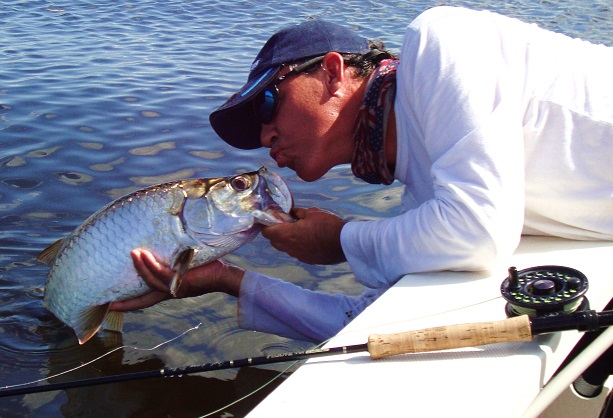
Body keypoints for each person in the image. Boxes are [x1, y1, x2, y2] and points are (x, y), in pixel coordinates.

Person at [111, 6, 613, 343]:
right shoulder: (429, 199)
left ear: (332, 72)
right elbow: (356, 323)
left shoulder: (441, 44)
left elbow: (478, 233)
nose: (266, 137)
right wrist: (224, 279)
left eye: (269, 103)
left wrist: (342, 240)